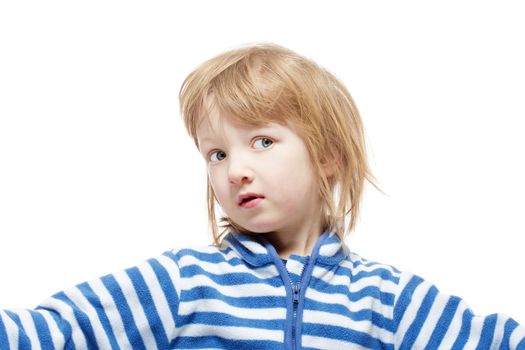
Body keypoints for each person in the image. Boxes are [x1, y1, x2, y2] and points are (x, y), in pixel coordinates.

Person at [1, 42, 524, 349]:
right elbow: (48, 333)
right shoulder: (184, 283)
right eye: (217, 154)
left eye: (262, 141)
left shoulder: (385, 299)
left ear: (327, 155)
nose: (235, 171)